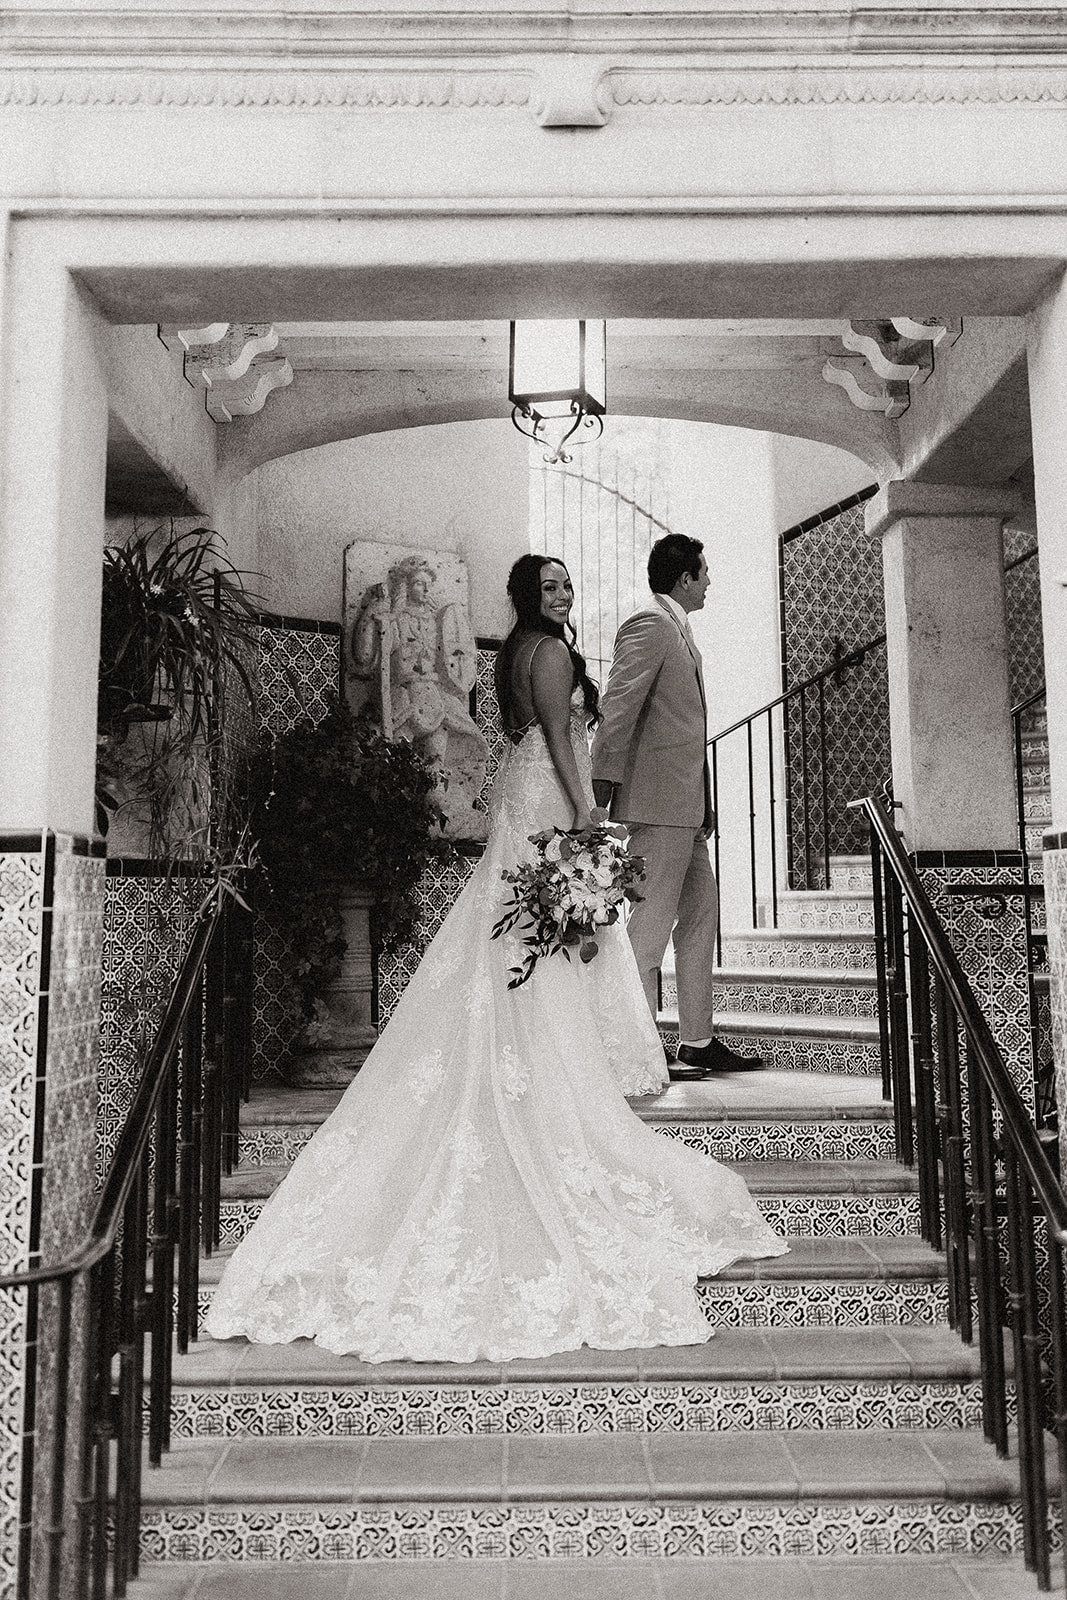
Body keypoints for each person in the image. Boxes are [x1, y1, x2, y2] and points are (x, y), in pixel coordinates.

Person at [205, 554, 785, 1364]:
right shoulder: (546, 654)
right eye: (549, 587)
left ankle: (534, 1052)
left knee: (526, 937)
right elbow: (556, 734)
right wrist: (587, 808)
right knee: (542, 934)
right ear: (525, 597)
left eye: (565, 585)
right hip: (548, 791)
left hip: (529, 791)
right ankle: (543, 1064)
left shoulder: (518, 650)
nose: (563, 594)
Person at [591, 534, 764, 1080]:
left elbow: (685, 731)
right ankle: (638, 1046)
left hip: (685, 809)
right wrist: (600, 790)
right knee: (649, 930)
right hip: (657, 807)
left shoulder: (679, 630)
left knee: (699, 921)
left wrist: (703, 804)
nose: (709, 581)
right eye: (704, 573)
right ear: (684, 578)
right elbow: (618, 709)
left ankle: (697, 1041)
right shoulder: (648, 626)